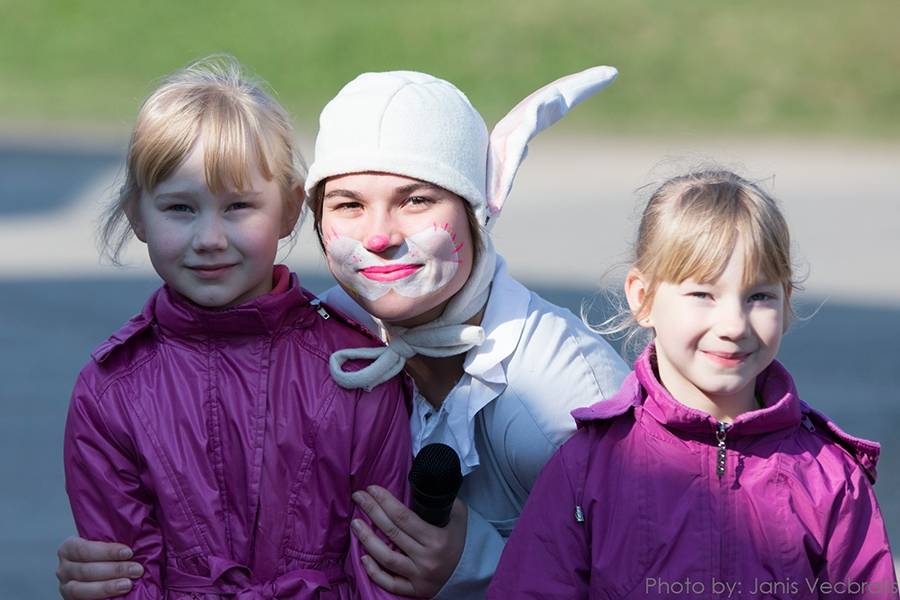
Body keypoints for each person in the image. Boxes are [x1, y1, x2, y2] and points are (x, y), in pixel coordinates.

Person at [57, 68, 631, 599]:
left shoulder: (559, 391)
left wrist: (471, 560)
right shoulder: (351, 343)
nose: (378, 236)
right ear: (312, 217)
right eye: (349, 204)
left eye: (417, 199)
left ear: (480, 207)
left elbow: (641, 568)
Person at [62, 55, 412, 599]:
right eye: (180, 208)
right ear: (136, 215)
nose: (209, 238)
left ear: (292, 209)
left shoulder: (358, 372)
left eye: (239, 206)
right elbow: (125, 578)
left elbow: (385, 574)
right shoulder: (112, 391)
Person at [487, 170, 900, 599]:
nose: (734, 325)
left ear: (787, 300)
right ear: (642, 297)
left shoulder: (829, 476)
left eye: (759, 296)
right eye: (703, 294)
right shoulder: (589, 467)